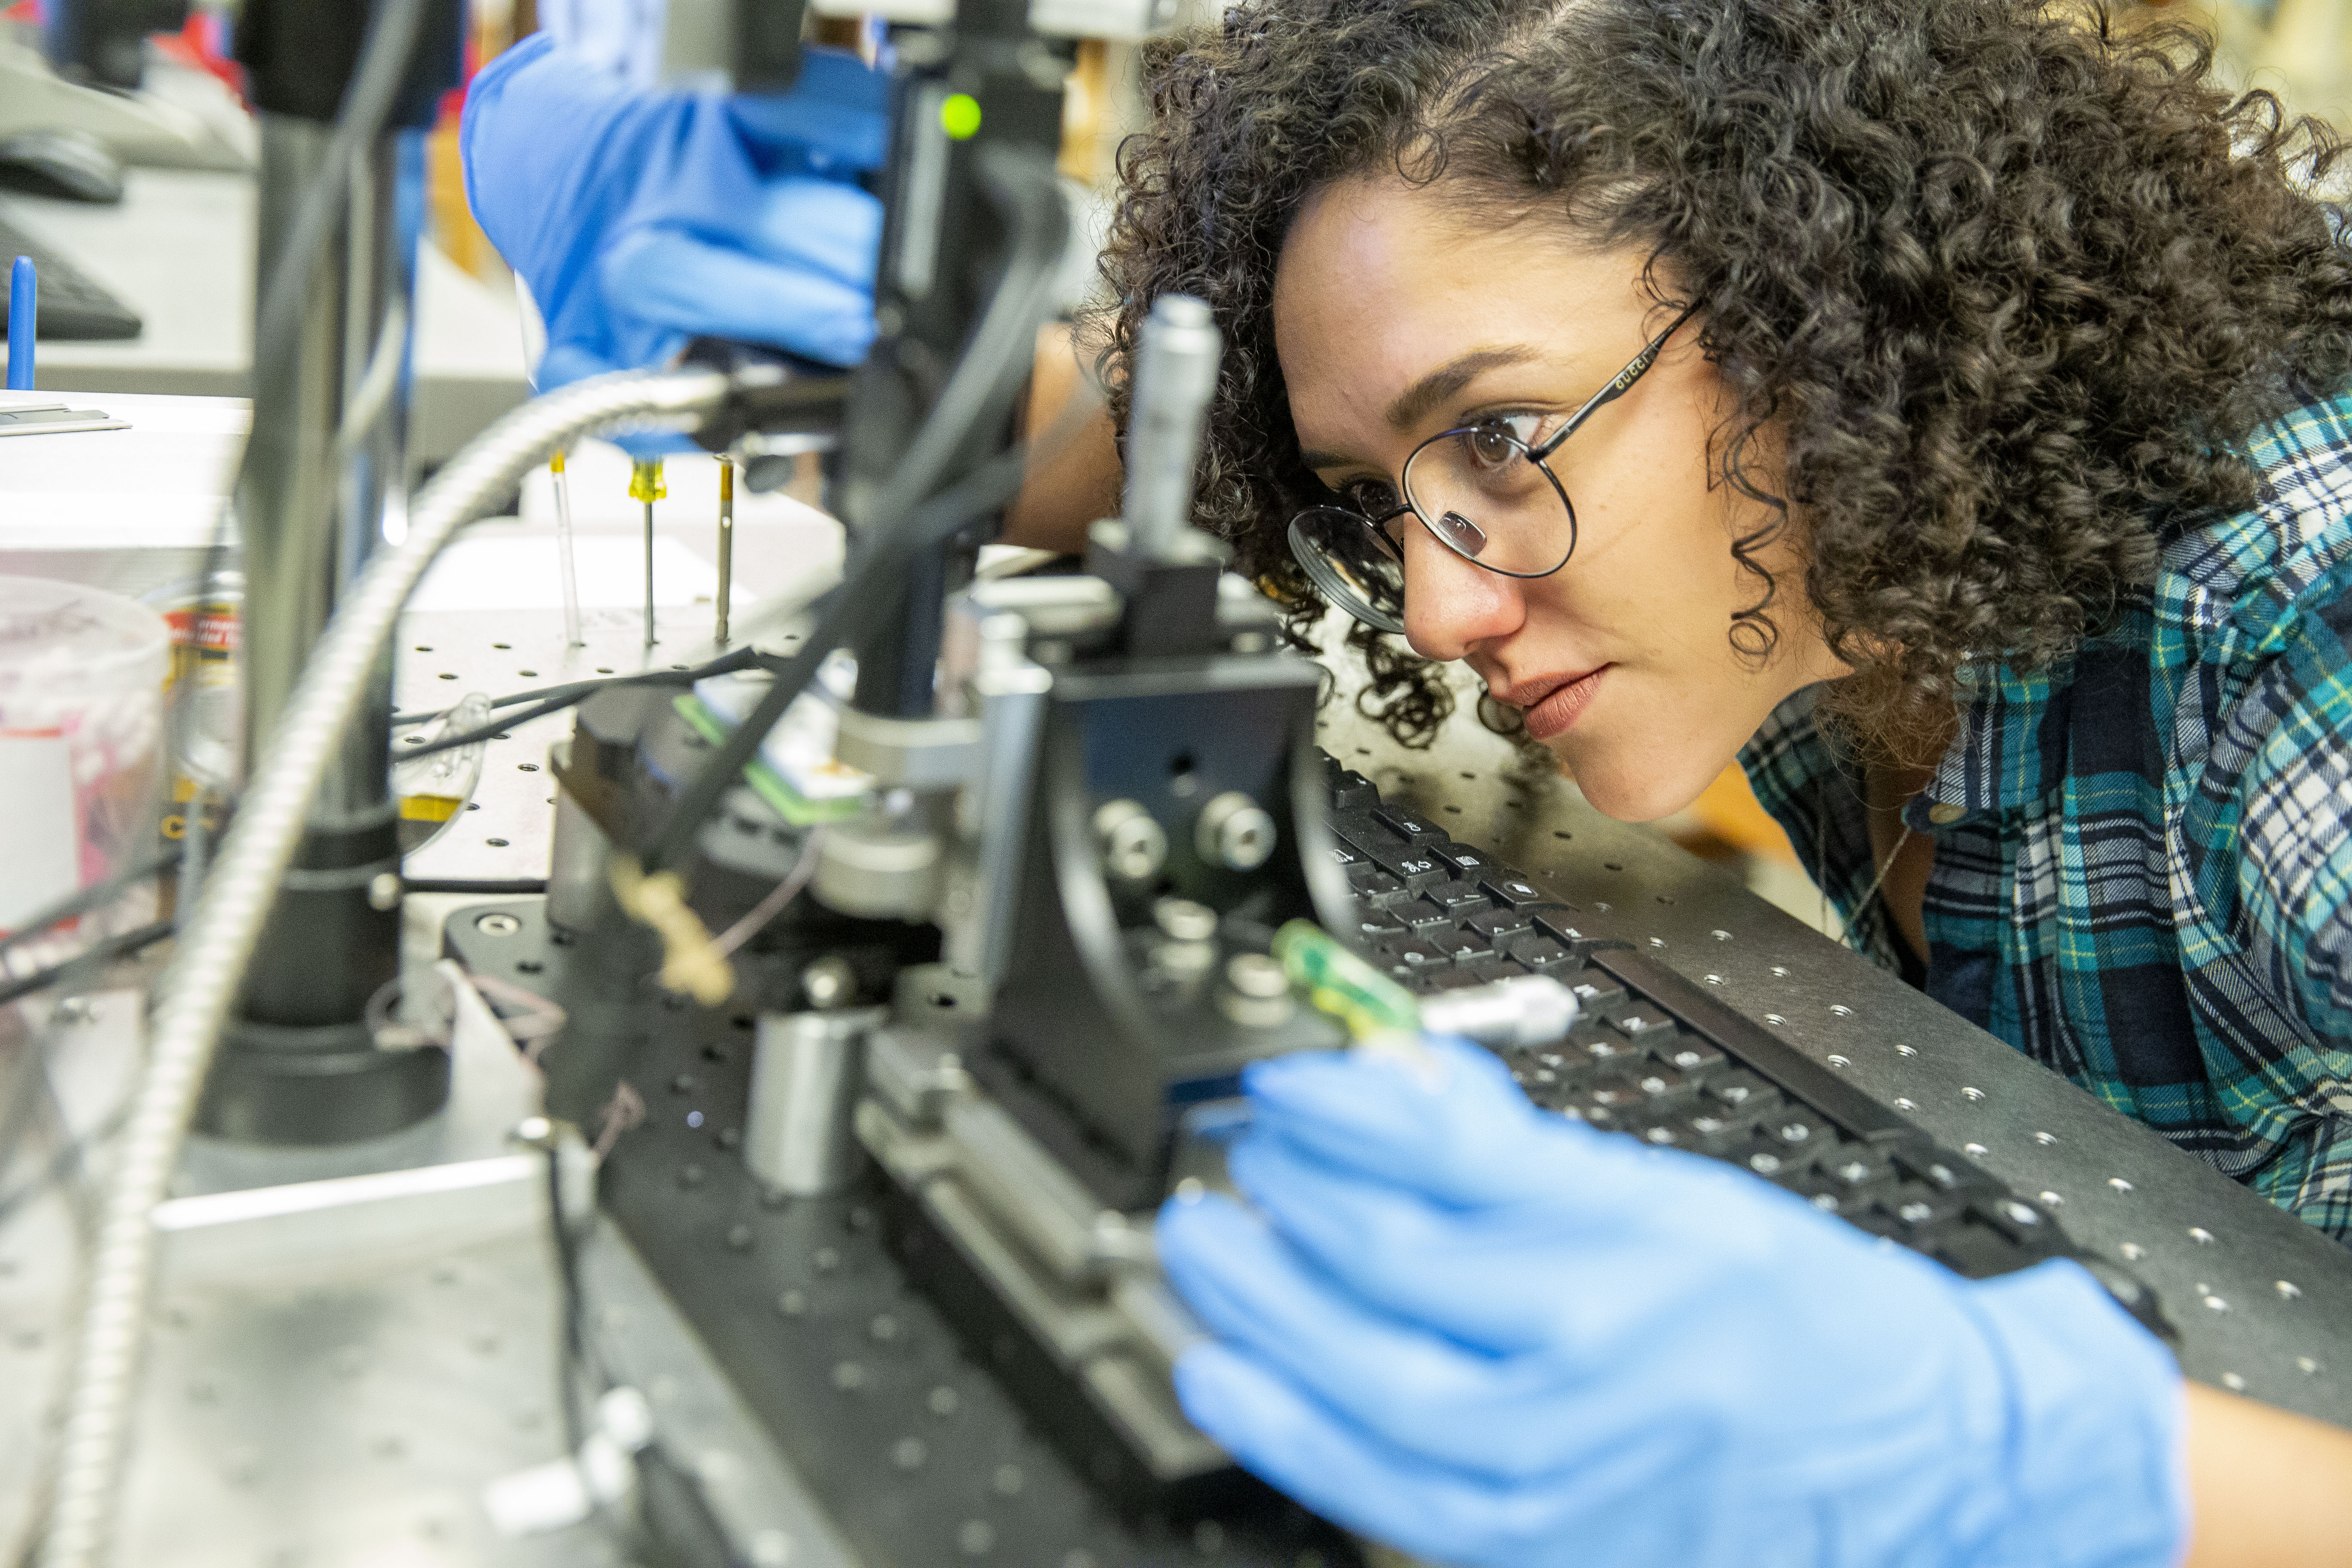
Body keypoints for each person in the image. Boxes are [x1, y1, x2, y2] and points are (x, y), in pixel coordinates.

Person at [461, 2, 2352, 1563]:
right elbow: (1066, 438)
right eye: (1380, 496)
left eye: (1502, 440)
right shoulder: (1860, 503)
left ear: (1827, 310)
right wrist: (779, 271)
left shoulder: (2301, 648)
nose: (1441, 606)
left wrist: (2061, 1470)